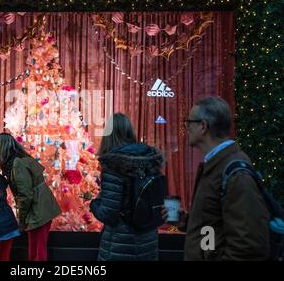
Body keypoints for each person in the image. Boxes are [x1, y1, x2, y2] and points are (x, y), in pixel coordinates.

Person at [164, 96, 269, 260]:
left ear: (203, 126)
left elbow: (247, 246)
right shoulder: (217, 164)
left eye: (189, 122)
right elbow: (215, 227)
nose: (186, 127)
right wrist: (187, 221)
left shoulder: (236, 173)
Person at [90, 113, 165, 261]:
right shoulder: (149, 159)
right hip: (148, 238)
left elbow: (108, 214)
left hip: (121, 243)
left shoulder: (113, 165)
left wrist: (94, 203)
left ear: (108, 135)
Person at [0, 133, 61, 261]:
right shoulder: (19, 160)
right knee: (36, 251)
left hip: (38, 210)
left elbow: (25, 195)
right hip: (40, 209)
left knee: (37, 253)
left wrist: (21, 220)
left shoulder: (17, 164)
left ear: (1, 149)